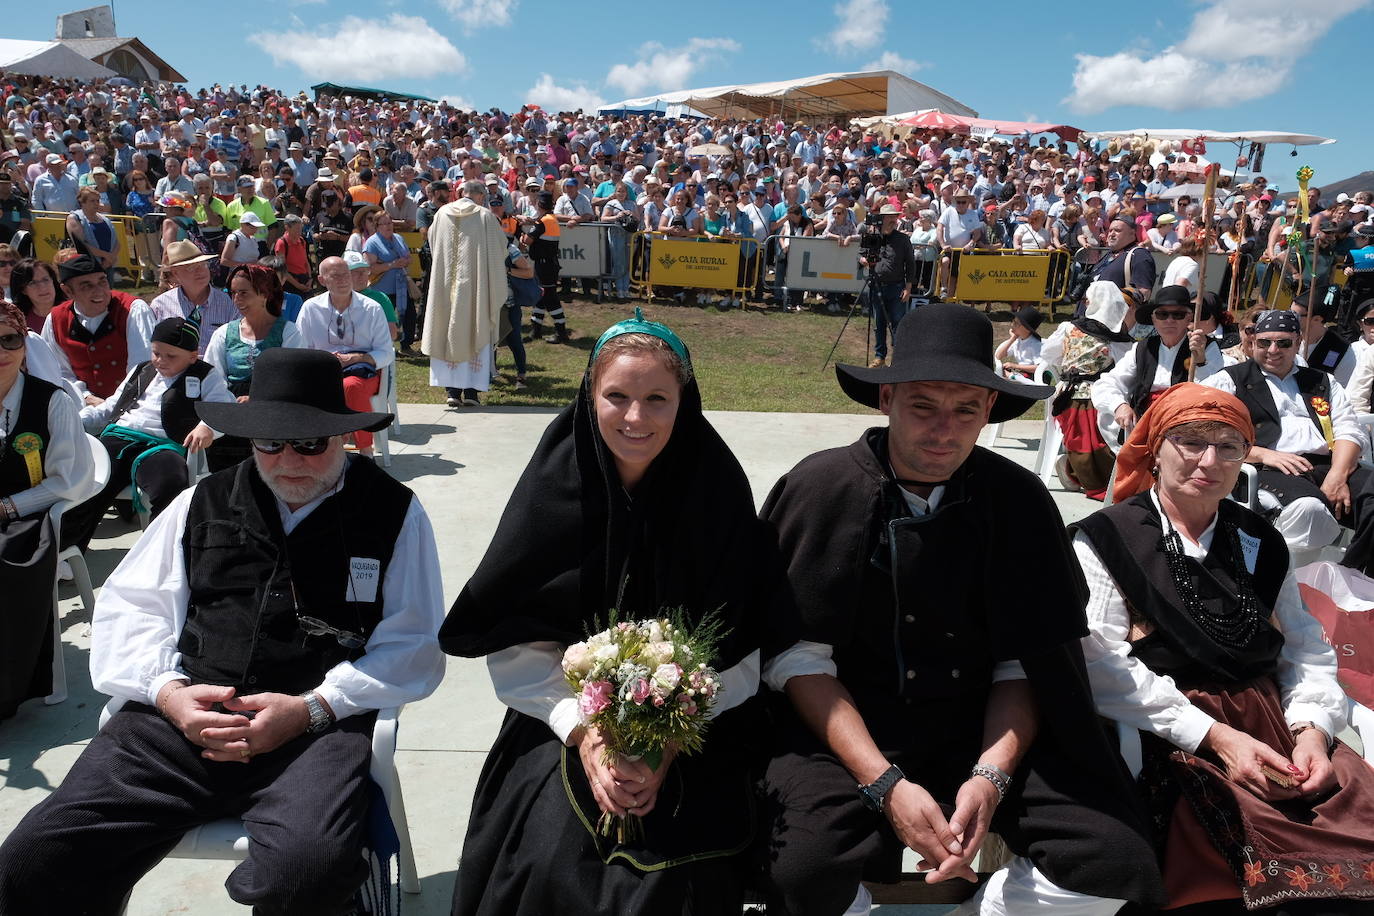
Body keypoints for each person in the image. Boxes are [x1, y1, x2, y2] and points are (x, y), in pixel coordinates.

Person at [0, 348, 446, 914]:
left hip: (314, 729)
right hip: (179, 721)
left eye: (310, 443)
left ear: (342, 437)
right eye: (270, 443)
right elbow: (132, 608)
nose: (289, 460)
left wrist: (313, 708)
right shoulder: (200, 501)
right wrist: (170, 695)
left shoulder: (394, 512)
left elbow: (413, 642)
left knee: (308, 873)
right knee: (30, 860)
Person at [754, 303, 1163, 916]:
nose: (944, 431)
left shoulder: (1018, 500)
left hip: (982, 724)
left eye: (966, 409)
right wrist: (884, 783)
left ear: (990, 408)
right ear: (887, 398)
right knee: (804, 869)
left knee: (1117, 862)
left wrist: (991, 776)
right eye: (923, 406)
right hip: (844, 730)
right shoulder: (822, 488)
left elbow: (1029, 658)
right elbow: (799, 657)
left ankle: (986, 908)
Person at [440, 311, 794, 914]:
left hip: (699, 727)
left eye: (657, 398)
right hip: (560, 714)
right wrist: (587, 736)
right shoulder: (553, 489)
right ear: (589, 397)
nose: (635, 417)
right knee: (550, 859)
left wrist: (667, 745)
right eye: (617, 397)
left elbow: (740, 643)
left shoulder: (717, 495)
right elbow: (519, 641)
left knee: (686, 872)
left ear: (684, 402)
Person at [1073, 383, 1374, 913]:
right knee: (1258, 856)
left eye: (1228, 447)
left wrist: (1313, 730)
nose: (1209, 461)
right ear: (1155, 449)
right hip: (1169, 729)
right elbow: (1100, 663)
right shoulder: (1108, 538)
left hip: (1274, 722)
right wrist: (1214, 737)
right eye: (1190, 442)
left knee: (1358, 823)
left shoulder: (1261, 540)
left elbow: (1303, 646)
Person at [1202, 308, 1374, 571]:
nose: (1273, 350)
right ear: (1253, 342)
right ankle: (1289, 581)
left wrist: (1337, 476)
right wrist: (1263, 454)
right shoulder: (1230, 380)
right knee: (1309, 508)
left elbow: (1349, 430)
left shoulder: (1322, 381)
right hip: (1268, 467)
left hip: (1326, 465)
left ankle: (1353, 574)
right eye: (1264, 342)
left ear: (1297, 343)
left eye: (1283, 343)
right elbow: (1208, 431)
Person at [0, 299, 96, 718]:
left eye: (10, 340)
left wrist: (8, 507)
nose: (1, 351)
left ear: (24, 344)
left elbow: (69, 481)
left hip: (33, 517)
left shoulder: (52, 402)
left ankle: (8, 687)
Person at [1091, 285, 1224, 451]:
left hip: (1185, 428)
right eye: (1162, 314)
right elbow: (1108, 383)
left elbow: (1216, 392)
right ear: (1154, 319)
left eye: (1178, 314)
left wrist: (1201, 361)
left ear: (1189, 318)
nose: (1169, 320)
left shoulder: (1206, 347)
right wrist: (1119, 406)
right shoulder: (1142, 348)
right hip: (1144, 424)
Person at [203, 264, 305, 471]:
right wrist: (229, 402)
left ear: (264, 294)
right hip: (232, 409)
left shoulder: (288, 332)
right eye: (233, 293)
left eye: (244, 293)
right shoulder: (224, 333)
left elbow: (293, 378)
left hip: (274, 411)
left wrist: (258, 399)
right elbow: (213, 377)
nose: (236, 299)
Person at [1042, 281, 1135, 500]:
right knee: (1105, 439)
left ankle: (1073, 469)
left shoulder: (1069, 328)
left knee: (1092, 440)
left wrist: (1069, 367)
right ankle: (1090, 478)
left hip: (1066, 395)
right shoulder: (1120, 340)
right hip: (1094, 400)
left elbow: (1048, 354)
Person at [295, 257, 394, 458]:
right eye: (336, 276)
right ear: (322, 280)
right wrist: (327, 360)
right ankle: (322, 448)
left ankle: (365, 451)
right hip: (323, 370)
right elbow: (300, 349)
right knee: (305, 388)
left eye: (346, 274)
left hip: (362, 371)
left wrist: (356, 359)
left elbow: (385, 352)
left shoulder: (371, 308)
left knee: (350, 387)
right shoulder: (310, 308)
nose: (343, 280)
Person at [422, 182, 508, 407]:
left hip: (445, 285)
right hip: (475, 287)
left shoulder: (441, 214)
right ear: (480, 196)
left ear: (462, 193)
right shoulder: (485, 216)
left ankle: (452, 391)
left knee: (446, 328)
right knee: (474, 329)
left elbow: (432, 241)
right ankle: (471, 393)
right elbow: (500, 248)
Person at [42, 254, 145, 401]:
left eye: (102, 282)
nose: (99, 291)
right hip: (81, 404)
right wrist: (85, 397)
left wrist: (111, 405)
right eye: (87, 286)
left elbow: (142, 366)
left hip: (134, 402)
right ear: (68, 291)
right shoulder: (56, 319)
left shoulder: (133, 310)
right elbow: (58, 371)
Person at [133, 240, 238, 364]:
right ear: (175, 273)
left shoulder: (228, 303)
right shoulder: (160, 306)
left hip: (216, 370)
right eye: (191, 267)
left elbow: (236, 345)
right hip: (174, 370)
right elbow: (153, 348)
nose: (200, 271)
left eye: (203, 264)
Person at [860, 203, 918, 368]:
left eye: (895, 217)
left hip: (897, 287)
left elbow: (910, 264)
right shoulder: (871, 236)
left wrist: (908, 288)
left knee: (898, 323)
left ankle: (898, 357)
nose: (893, 220)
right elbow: (860, 254)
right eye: (889, 217)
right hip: (876, 285)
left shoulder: (903, 239)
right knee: (879, 324)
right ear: (882, 219)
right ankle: (880, 357)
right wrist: (863, 260)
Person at [363, 211, 412, 346]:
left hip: (401, 287)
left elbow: (409, 258)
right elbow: (370, 268)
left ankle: (406, 345)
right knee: (384, 320)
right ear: (377, 226)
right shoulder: (372, 243)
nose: (388, 226)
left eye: (389, 223)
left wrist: (405, 261)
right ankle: (383, 346)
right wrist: (392, 265)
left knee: (409, 315)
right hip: (382, 290)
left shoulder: (399, 238)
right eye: (383, 224)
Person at [65, 186, 121, 282]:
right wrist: (106, 255)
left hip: (108, 265)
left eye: (97, 200)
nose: (96, 203)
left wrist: (110, 258)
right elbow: (81, 245)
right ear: (82, 202)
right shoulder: (74, 218)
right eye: (92, 201)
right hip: (87, 266)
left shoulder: (105, 219)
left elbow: (116, 242)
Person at [9, 258, 60, 333]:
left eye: (45, 280)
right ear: (23, 290)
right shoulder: (17, 320)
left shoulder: (72, 311)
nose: (42, 287)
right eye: (32, 283)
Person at [994, 306, 1044, 382]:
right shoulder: (1017, 340)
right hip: (1021, 373)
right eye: (1013, 321)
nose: (1012, 325)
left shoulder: (1035, 345)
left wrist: (1015, 366)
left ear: (1027, 329)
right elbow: (999, 356)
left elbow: (1039, 368)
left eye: (1016, 323)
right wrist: (1012, 339)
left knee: (1004, 375)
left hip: (1033, 377)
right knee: (1000, 371)